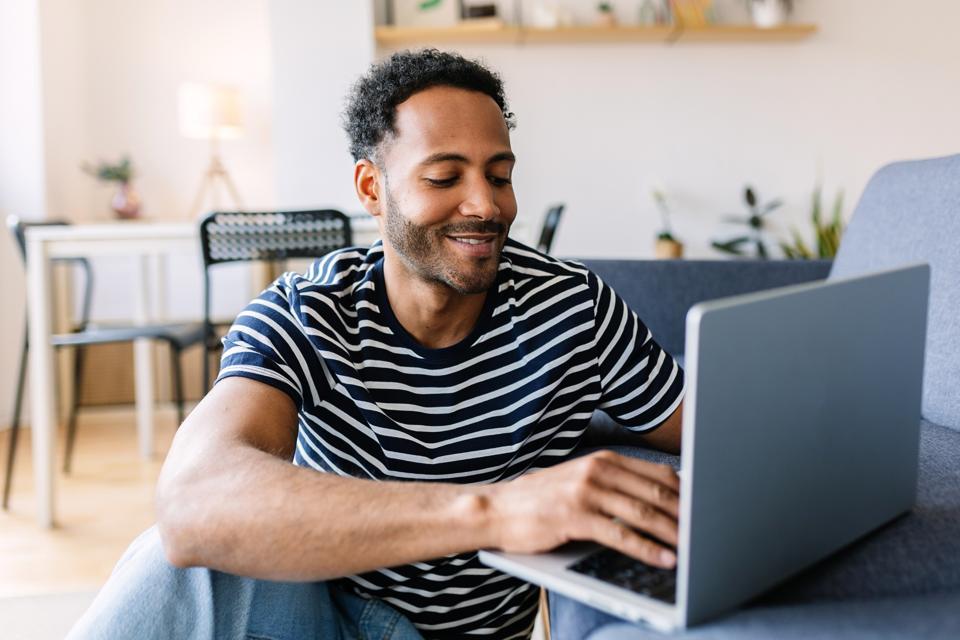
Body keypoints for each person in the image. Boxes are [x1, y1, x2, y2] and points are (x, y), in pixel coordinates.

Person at [68, 49, 685, 640]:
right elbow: (193, 498)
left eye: (500, 176)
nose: (486, 204)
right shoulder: (307, 311)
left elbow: (710, 429)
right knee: (179, 562)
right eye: (445, 176)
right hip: (320, 614)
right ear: (371, 188)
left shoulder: (574, 308)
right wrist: (495, 512)